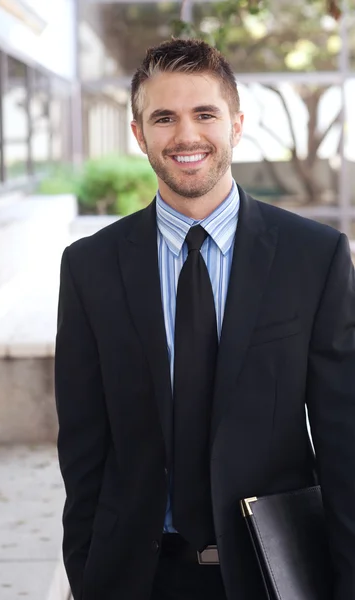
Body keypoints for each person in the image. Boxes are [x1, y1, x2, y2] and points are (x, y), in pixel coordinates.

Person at [54, 38, 355, 600]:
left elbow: (344, 439)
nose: (186, 136)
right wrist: (86, 572)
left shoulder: (314, 257)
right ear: (140, 134)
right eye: (164, 118)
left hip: (273, 571)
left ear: (236, 124)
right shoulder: (89, 267)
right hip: (136, 576)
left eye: (204, 114)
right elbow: (82, 446)